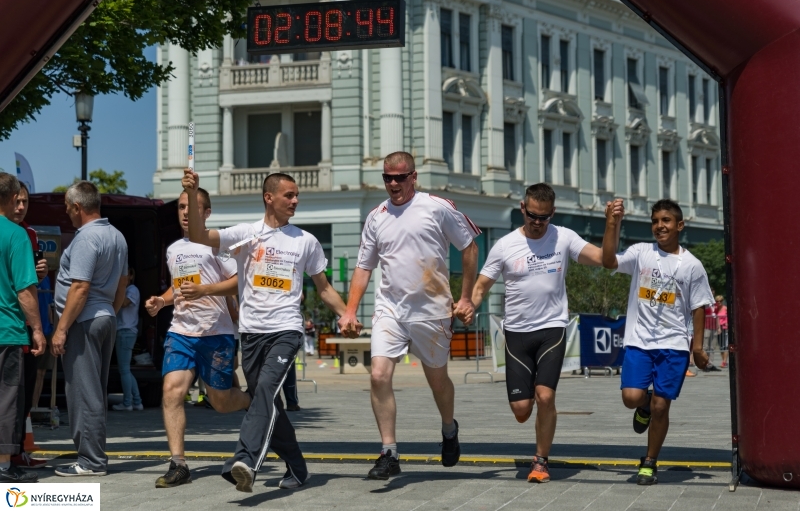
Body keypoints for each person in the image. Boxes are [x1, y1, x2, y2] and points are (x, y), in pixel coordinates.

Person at [181, 169, 358, 493]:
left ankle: (245, 460)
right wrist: (192, 195)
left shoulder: (306, 241)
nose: (295, 201)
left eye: (296, 195)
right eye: (289, 195)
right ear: (269, 198)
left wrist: (346, 313)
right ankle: (298, 467)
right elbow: (197, 235)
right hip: (251, 334)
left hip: (286, 331)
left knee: (263, 390)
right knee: (265, 402)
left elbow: (324, 288)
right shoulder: (247, 234)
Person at [338, 151, 480, 481]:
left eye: (400, 177)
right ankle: (389, 453)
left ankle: (449, 429)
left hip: (432, 311)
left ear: (413, 177)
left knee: (438, 381)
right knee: (378, 375)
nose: (393, 184)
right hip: (390, 310)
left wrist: (466, 297)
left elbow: (470, 247)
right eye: (387, 177)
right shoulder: (376, 216)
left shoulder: (437, 207)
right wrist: (350, 310)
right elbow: (364, 266)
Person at [470, 183, 606, 483]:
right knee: (521, 410)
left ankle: (541, 461)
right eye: (531, 215)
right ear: (522, 208)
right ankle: (529, 392)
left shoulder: (564, 237)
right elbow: (481, 286)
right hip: (517, 333)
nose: (536, 222)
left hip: (552, 329)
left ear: (552, 214)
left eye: (543, 217)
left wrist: (613, 225)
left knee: (545, 397)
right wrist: (469, 304)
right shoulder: (504, 245)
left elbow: (602, 259)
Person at [602, 198, 713, 486]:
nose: (659, 226)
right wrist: (612, 222)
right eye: (655, 221)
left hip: (674, 345)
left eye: (665, 220)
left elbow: (699, 306)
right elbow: (609, 260)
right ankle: (644, 405)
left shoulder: (692, 265)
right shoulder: (641, 252)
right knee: (631, 398)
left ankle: (650, 461)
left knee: (663, 407)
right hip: (639, 341)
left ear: (679, 225)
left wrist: (697, 348)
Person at [144, 188, 251, 488]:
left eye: (192, 206)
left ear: (206, 213)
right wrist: (162, 301)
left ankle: (248, 401)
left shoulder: (219, 246)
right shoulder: (173, 248)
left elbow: (238, 282)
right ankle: (178, 464)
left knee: (219, 402)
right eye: (181, 207)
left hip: (216, 333)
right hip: (181, 332)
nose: (186, 211)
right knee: (171, 392)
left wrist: (205, 291)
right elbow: (179, 287)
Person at [52, 181, 129, 477]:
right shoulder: (117, 236)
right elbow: (122, 285)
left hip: (84, 321)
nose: (68, 214)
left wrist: (61, 329)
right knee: (94, 391)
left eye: (68, 208)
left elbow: (80, 287)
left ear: (78, 207)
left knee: (84, 394)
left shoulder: (86, 238)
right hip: (105, 317)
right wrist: (110, 311)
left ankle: (91, 461)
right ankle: (91, 456)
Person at [0, 173, 46, 483]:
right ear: (12, 195)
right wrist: (38, 329)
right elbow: (25, 291)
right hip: (7, 331)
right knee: (7, 398)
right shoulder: (16, 235)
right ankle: (4, 465)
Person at [10, 182, 49, 470]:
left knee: (21, 396)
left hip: (21, 327)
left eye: (25, 201)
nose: (21, 207)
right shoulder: (13, 234)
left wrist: (42, 272)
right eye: (17, 201)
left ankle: (17, 452)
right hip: (12, 326)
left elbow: (32, 283)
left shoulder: (30, 233)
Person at [112, 268, 142, 411]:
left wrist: (118, 287)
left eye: (125, 274)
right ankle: (136, 401)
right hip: (125, 332)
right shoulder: (129, 289)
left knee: (124, 370)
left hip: (125, 331)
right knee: (126, 370)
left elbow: (124, 303)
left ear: (131, 276)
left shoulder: (132, 290)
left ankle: (127, 402)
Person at [715, 295, 728, 368]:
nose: (719, 302)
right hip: (718, 329)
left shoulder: (725, 308)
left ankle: (724, 361)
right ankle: (723, 360)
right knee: (721, 346)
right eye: (717, 301)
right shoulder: (716, 309)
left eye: (720, 301)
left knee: (725, 345)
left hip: (725, 328)